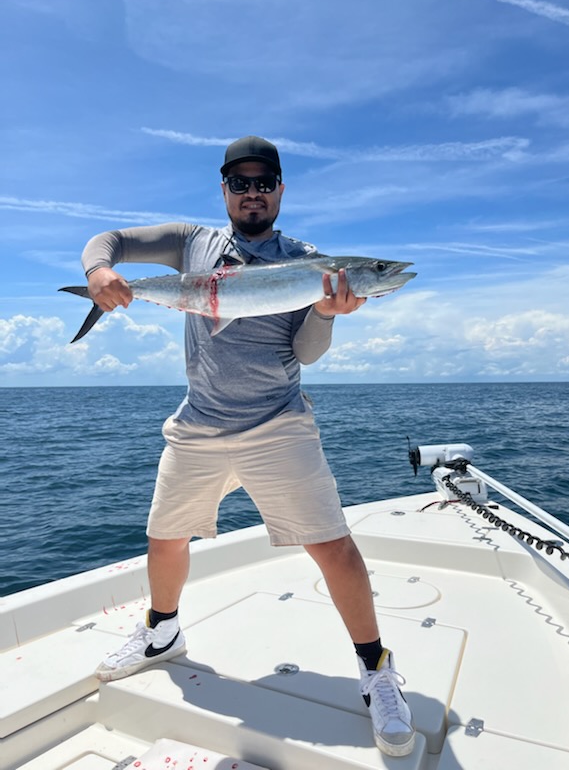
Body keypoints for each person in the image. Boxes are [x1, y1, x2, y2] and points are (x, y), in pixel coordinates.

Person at [83, 136, 415, 757]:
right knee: (165, 536)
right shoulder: (191, 242)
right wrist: (99, 274)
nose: (253, 192)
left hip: (277, 423)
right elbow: (109, 243)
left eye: (265, 182)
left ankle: (375, 669)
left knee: (333, 547)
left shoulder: (309, 261)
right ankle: (162, 633)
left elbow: (305, 354)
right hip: (199, 421)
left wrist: (326, 312)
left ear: (282, 190)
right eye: (241, 182)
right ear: (226, 190)